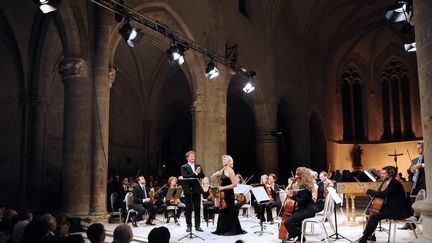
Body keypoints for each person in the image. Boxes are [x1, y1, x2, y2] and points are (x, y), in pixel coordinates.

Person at [353, 166, 412, 243]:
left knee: (374, 216)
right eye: (382, 173)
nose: (381, 175)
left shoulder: (394, 183)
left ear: (390, 174)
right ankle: (371, 236)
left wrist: (367, 190)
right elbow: (386, 195)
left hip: (397, 211)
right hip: (392, 207)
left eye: (384, 173)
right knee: (369, 212)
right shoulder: (391, 182)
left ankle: (364, 239)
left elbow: (384, 194)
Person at [211, 155, 246, 235]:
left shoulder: (230, 171)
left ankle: (231, 230)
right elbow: (219, 172)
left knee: (230, 211)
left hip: (229, 193)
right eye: (223, 159)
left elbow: (234, 184)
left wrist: (223, 187)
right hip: (223, 193)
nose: (223, 160)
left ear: (230, 162)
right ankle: (221, 230)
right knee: (222, 210)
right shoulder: (224, 169)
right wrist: (214, 174)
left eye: (225, 159)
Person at [283, 167, 317, 242]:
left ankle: (300, 236)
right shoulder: (302, 185)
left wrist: (292, 196)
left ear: (302, 176)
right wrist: (291, 185)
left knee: (287, 222)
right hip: (304, 209)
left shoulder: (304, 186)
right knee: (295, 220)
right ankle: (299, 238)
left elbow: (302, 201)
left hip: (308, 210)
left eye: (297, 174)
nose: (295, 176)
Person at [180, 150, 205, 232]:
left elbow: (203, 176)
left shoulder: (198, 165)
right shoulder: (184, 167)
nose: (193, 157)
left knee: (197, 208)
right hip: (188, 190)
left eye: (194, 156)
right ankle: (188, 225)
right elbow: (185, 176)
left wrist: (199, 172)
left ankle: (197, 226)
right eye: (191, 156)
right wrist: (195, 173)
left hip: (196, 189)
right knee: (189, 209)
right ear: (187, 158)